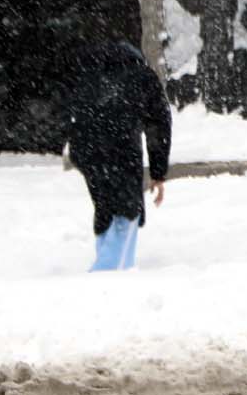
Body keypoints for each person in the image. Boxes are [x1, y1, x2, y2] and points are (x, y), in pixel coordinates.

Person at [60, 39, 172, 272]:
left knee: (105, 206)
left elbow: (64, 107)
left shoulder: (85, 73)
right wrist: (158, 171)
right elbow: (159, 124)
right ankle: (109, 270)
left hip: (85, 147)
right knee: (126, 209)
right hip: (120, 145)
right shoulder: (141, 75)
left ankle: (107, 259)